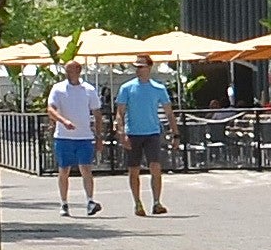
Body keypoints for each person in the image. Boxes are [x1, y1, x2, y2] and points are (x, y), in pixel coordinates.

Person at [113, 54, 175, 216]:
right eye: (137, 67)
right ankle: (138, 203)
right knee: (134, 170)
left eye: (141, 66)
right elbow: (120, 112)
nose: (138, 70)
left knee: (155, 167)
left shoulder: (158, 88)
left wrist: (175, 133)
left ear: (149, 67)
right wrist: (121, 132)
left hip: (152, 132)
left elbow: (169, 112)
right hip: (133, 133)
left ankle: (156, 202)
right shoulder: (127, 88)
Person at [48, 62, 106, 215]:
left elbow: (97, 114)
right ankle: (64, 203)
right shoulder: (58, 88)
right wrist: (63, 121)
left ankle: (90, 201)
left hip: (84, 136)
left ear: (78, 71)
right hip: (63, 137)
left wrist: (99, 136)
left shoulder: (88, 89)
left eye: (70, 70)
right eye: (66, 71)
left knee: (86, 168)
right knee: (64, 170)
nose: (67, 73)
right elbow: (50, 109)